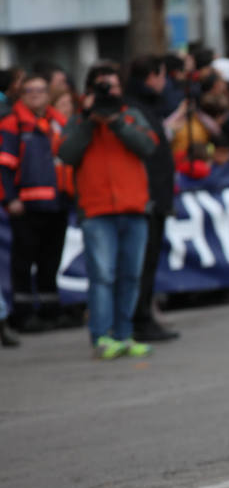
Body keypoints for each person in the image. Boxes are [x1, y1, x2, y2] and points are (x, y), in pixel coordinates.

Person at [57, 65, 159, 359]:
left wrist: (116, 123)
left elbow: (148, 146)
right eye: (103, 87)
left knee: (131, 275)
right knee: (102, 276)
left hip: (134, 208)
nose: (109, 92)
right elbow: (66, 154)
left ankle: (125, 335)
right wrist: (90, 120)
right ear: (89, 90)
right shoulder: (78, 120)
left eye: (113, 87)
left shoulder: (130, 116)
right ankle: (102, 337)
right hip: (97, 210)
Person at [0, 72, 70, 331]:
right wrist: (10, 198)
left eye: (41, 90)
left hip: (57, 203)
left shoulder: (58, 122)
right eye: (30, 91)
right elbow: (4, 166)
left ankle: (51, 311)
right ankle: (24, 315)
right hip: (26, 206)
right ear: (22, 95)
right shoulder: (12, 123)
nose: (37, 95)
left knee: (51, 260)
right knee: (23, 262)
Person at [125, 54, 180, 342]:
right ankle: (139, 319)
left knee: (146, 263)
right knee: (142, 264)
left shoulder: (146, 106)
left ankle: (143, 315)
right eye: (162, 76)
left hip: (153, 196)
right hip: (146, 198)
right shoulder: (137, 108)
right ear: (152, 76)